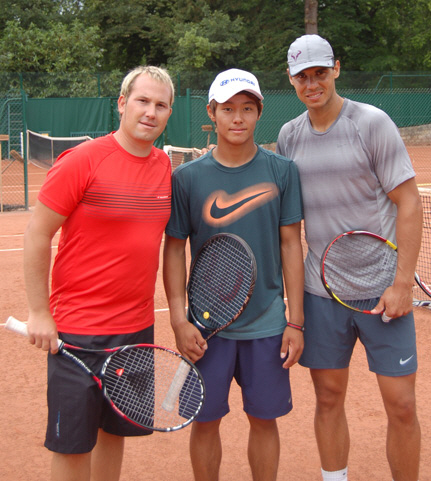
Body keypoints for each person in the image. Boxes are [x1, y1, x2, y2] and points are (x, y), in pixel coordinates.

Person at [276, 34, 423, 481]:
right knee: (327, 398)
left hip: (383, 293)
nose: (312, 83)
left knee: (401, 405)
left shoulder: (372, 123)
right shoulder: (289, 136)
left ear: (336, 68)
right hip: (322, 294)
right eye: (302, 76)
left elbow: (409, 201)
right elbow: (289, 225)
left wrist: (402, 283)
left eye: (320, 72)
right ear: (291, 80)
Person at [23, 66, 174, 481]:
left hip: (136, 330)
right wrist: (39, 312)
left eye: (161, 105)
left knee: (115, 432)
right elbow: (37, 235)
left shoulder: (165, 167)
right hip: (77, 332)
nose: (151, 112)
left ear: (168, 114)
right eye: (142, 101)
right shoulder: (83, 161)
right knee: (73, 445)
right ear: (122, 104)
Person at [163, 68, 305, 481]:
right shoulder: (187, 178)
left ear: (259, 112)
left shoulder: (282, 171)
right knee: (205, 423)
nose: (237, 118)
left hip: (267, 325)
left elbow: (291, 245)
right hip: (207, 328)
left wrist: (295, 320)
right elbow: (173, 249)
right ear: (213, 113)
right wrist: (178, 318)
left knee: (264, 421)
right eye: (228, 109)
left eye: (247, 108)